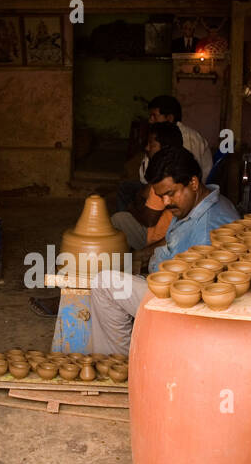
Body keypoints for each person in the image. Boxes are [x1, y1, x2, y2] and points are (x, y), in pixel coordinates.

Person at [89, 145, 240, 355]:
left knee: (103, 284)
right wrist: (138, 257)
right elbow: (170, 241)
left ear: (193, 183)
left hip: (184, 309)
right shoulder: (193, 206)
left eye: (170, 193)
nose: (166, 202)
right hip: (165, 282)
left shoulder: (210, 228)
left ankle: (120, 365)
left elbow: (198, 294)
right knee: (115, 269)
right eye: (161, 196)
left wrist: (145, 276)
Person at [110, 121, 180, 251]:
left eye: (151, 144)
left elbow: (149, 220)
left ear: (164, 147)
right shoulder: (179, 162)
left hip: (159, 237)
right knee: (127, 191)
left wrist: (131, 207)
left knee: (117, 219)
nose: (147, 148)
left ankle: (129, 254)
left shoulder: (164, 173)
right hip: (171, 230)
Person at [143, 95, 212, 185]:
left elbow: (187, 174)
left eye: (154, 116)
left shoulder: (187, 137)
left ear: (169, 118)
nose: (150, 120)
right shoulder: (165, 135)